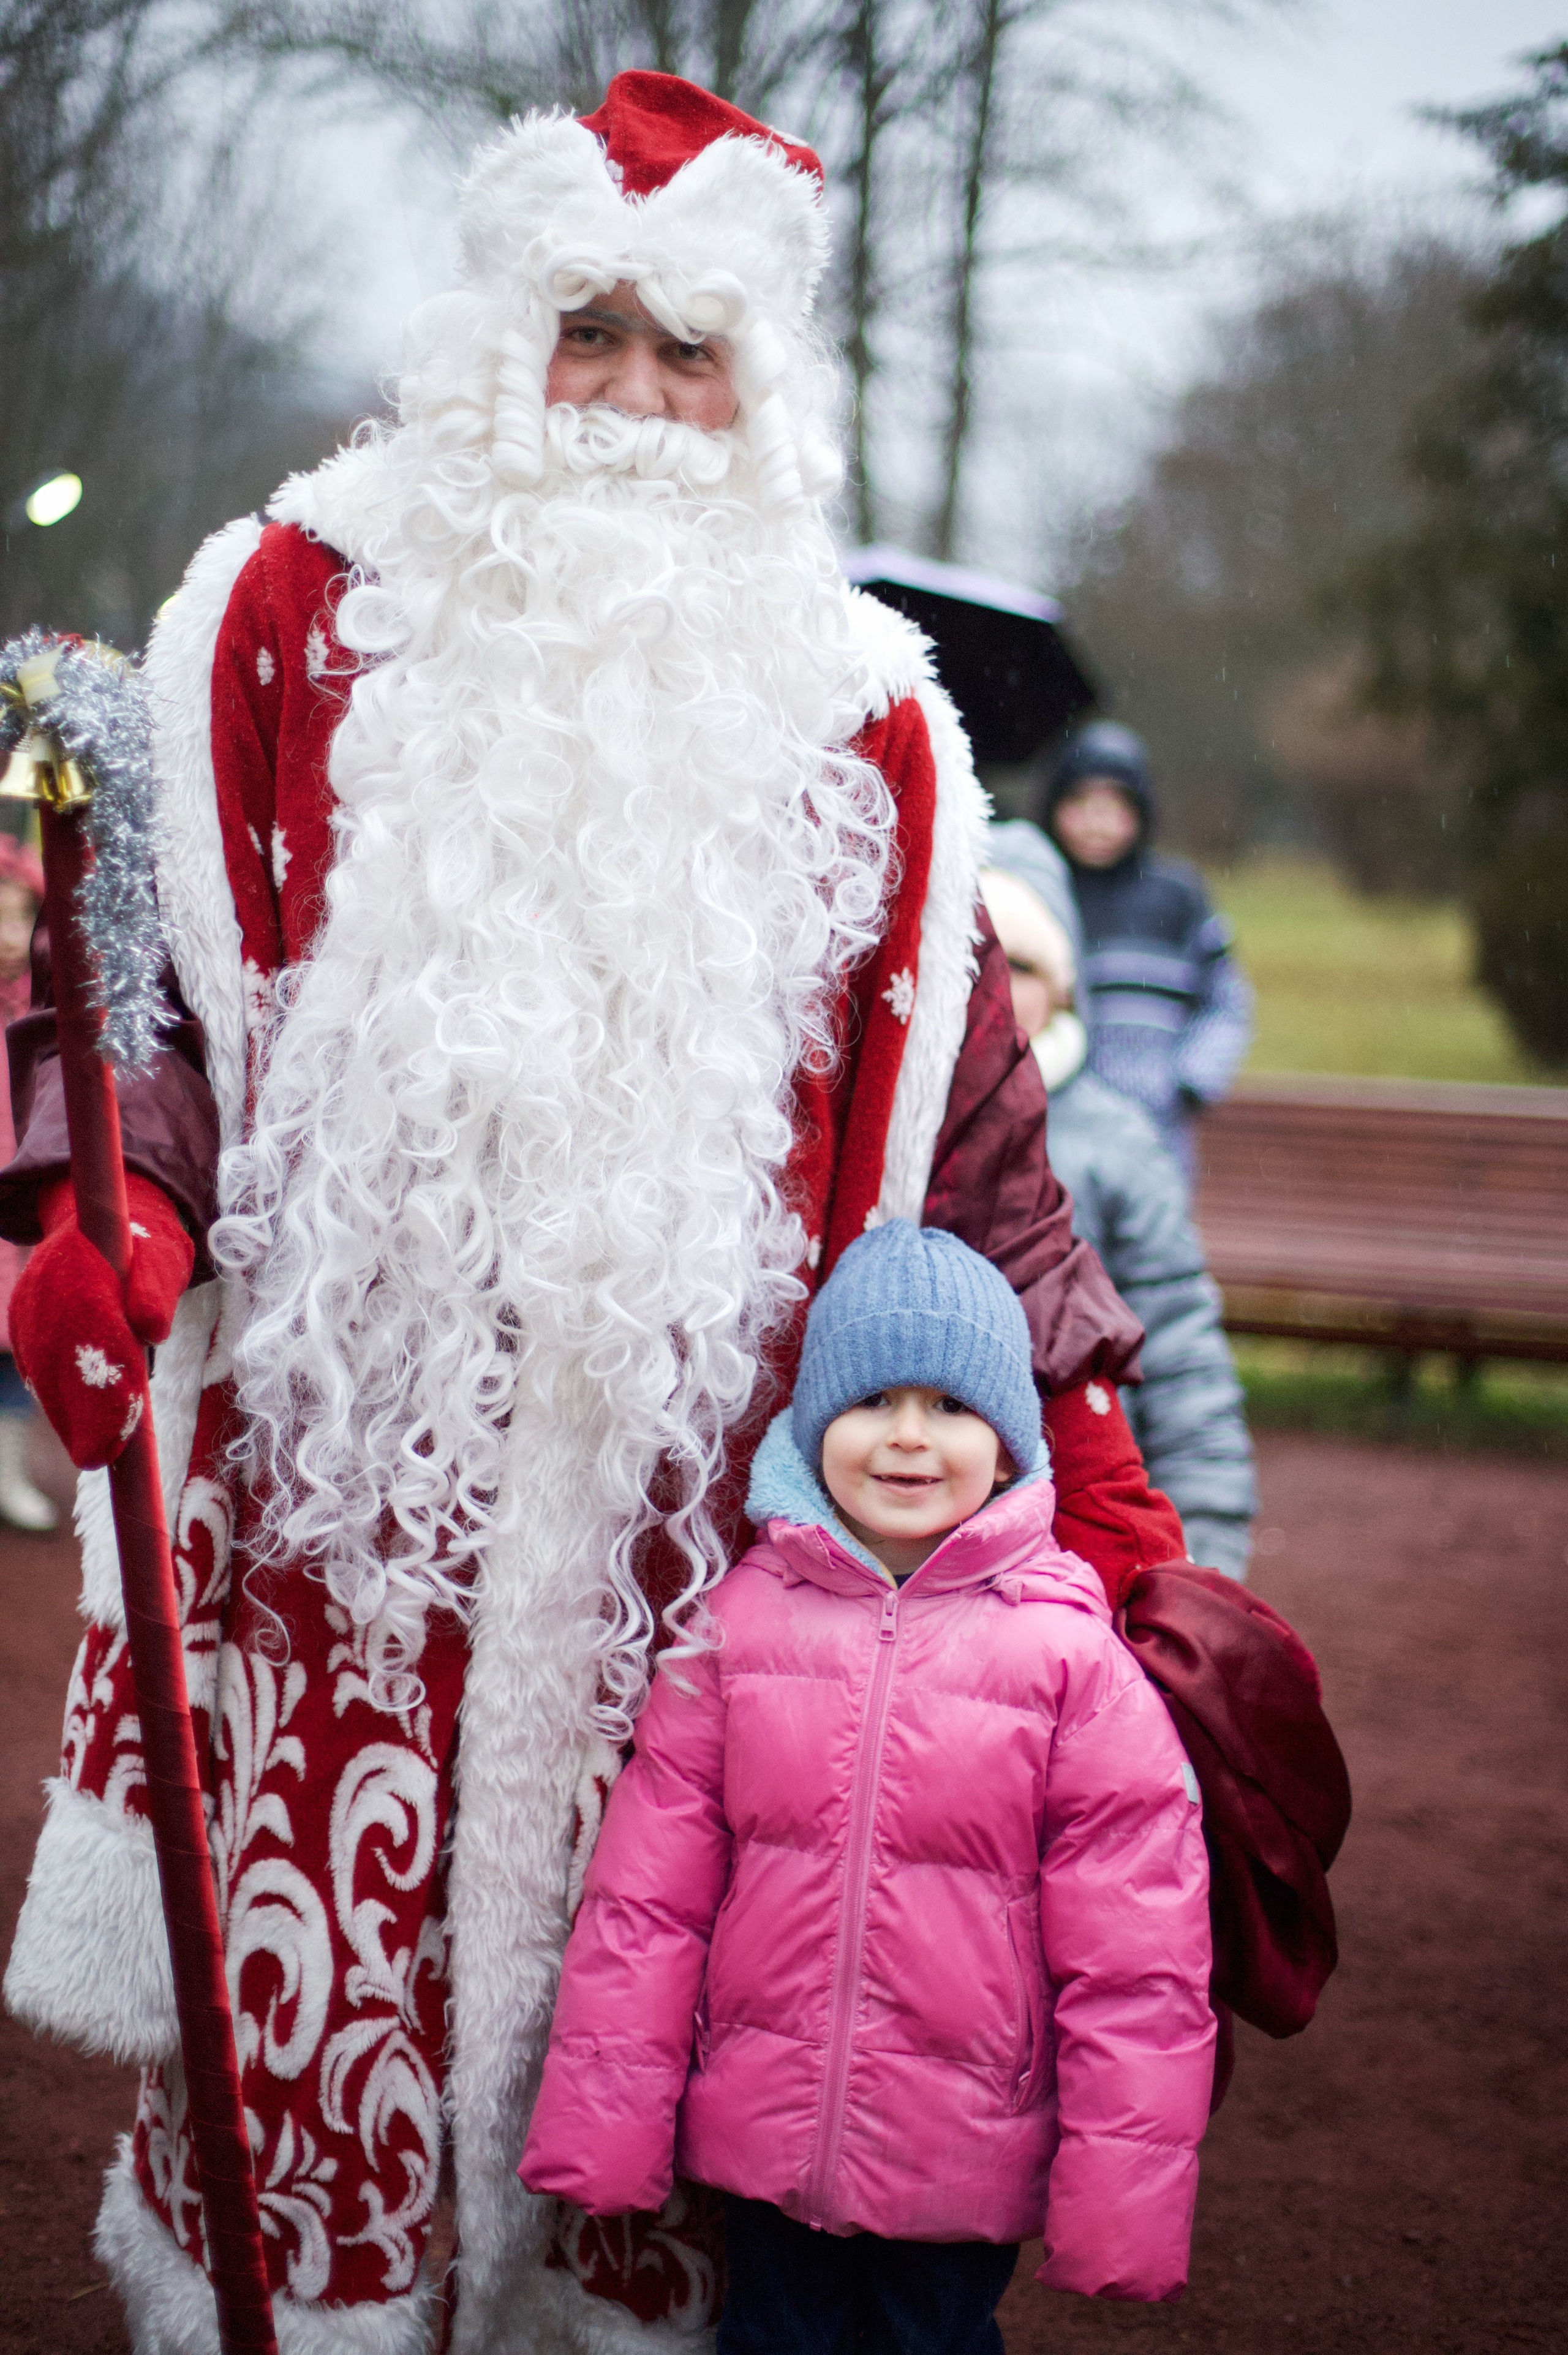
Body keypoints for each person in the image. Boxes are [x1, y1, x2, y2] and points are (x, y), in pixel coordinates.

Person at [0, 72, 1194, 2354]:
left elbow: (977, 1164)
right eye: (590, 332)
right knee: (304, 2115)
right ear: (495, 334)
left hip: (689, 1586)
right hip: (329, 1550)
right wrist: (116, 1204)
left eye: (690, 352)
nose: (637, 398)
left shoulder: (873, 728)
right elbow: (148, 986)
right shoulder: (285, 612)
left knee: (634, 2118)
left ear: (760, 392)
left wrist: (1112, 1511)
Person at [519, 1219, 1215, 2345]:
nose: (907, 1439)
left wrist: (1121, 2195)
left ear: (1010, 1441)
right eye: (872, 1401)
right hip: (766, 2138)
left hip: (961, 2157)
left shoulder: (1069, 1659)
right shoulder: (739, 1627)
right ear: (813, 1422)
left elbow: (1140, 1958)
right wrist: (609, 2125)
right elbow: (646, 1907)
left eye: (950, 1407)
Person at [982, 831, 1256, 1581]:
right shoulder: (890, 1135)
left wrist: (1207, 1544)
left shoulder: (1115, 1142)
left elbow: (1179, 1347)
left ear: (1066, 984)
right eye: (974, 957)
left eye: (1025, 963)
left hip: (1081, 1537)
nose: (997, 985)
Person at [1041, 720, 1253, 1177]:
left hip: (1157, 1132)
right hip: (1056, 1130)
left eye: (1113, 804)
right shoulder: (1041, 894)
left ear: (1141, 812)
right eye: (1080, 802)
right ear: (1054, 806)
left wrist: (1190, 1081)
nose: (1096, 821)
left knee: (1154, 1241)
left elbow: (1228, 1001)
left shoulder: (1178, 897)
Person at [0, 835, 56, 1532]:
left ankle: (9, 1472)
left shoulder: (39, 1006)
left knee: (13, 1359)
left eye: (23, 916)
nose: (10, 933)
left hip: (14, 1200)